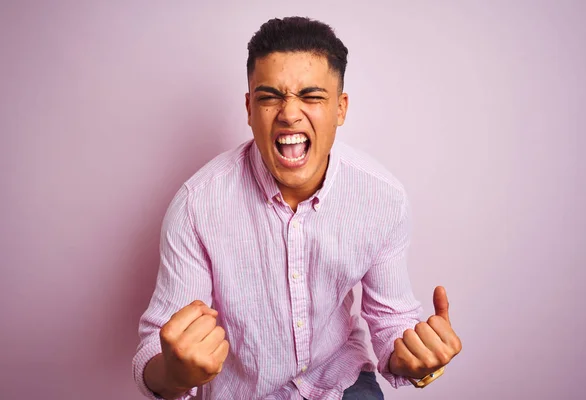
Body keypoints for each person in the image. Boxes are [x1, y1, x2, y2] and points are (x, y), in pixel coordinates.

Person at [133, 16, 462, 400]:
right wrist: (174, 374)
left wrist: (413, 359)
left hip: (339, 380)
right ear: (249, 107)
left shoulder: (381, 198)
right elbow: (154, 353)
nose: (289, 113)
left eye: (311, 96)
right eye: (270, 97)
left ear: (340, 109)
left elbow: (391, 322)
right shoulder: (196, 207)